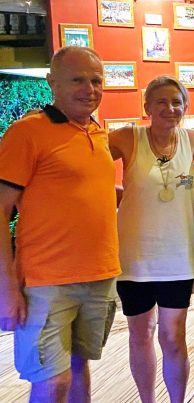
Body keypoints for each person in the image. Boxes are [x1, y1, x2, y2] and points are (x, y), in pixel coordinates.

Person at [0, 46, 121, 401]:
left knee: (80, 367)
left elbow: (82, 191)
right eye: (78, 80)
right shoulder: (27, 132)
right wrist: (6, 288)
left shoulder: (97, 132)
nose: (90, 89)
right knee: (53, 382)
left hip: (99, 277)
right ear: (52, 82)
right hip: (45, 282)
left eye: (96, 80)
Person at [109, 75, 194, 403]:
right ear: (147, 106)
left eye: (177, 102)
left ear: (185, 106)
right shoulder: (128, 137)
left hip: (178, 257)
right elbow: (84, 162)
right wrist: (119, 195)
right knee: (140, 334)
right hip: (135, 258)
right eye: (161, 101)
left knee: (173, 338)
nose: (170, 108)